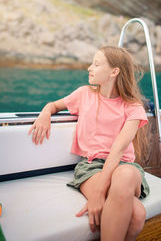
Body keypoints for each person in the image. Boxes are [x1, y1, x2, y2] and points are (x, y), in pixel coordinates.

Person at [29, 46, 150, 241]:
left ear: (114, 72)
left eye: (96, 64)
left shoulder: (133, 107)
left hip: (123, 166)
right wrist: (45, 113)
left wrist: (98, 193)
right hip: (91, 167)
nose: (89, 68)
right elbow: (54, 105)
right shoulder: (84, 94)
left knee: (125, 174)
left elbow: (118, 149)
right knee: (137, 216)